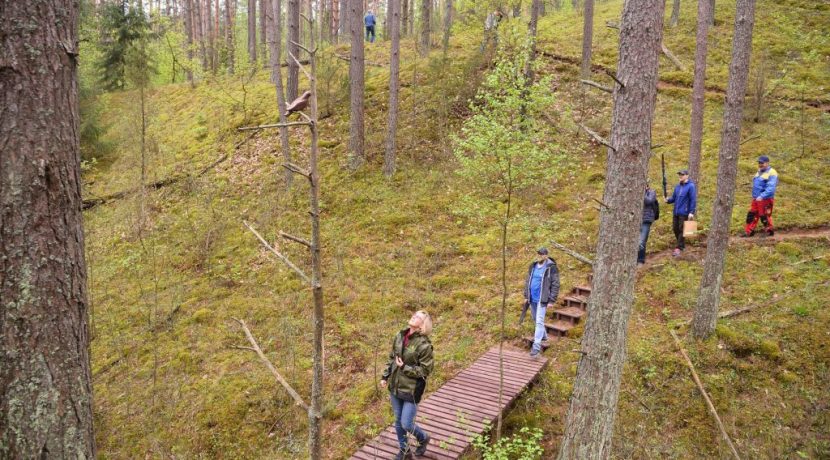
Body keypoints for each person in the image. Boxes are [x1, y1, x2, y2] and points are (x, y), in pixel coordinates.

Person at [381, 310, 434, 459]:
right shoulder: (400, 335)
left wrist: (404, 367)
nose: (414, 316)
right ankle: (405, 451)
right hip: (395, 386)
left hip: (412, 390)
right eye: (414, 314)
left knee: (406, 424)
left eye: (418, 317)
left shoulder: (424, 345)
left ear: (422, 325)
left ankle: (423, 437)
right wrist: (385, 375)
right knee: (398, 421)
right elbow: (392, 357)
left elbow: (425, 370)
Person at [523, 248, 560, 358]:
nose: (540, 255)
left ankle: (536, 346)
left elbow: (555, 284)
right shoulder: (533, 265)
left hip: (542, 299)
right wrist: (526, 295)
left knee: (539, 321)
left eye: (542, 254)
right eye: (539, 253)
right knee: (535, 319)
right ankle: (544, 336)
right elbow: (527, 281)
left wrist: (552, 299)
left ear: (546, 255)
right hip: (532, 298)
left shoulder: (551, 268)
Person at [742, 155, 778, 237]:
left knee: (764, 215)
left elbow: (771, 188)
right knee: (751, 214)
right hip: (756, 198)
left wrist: (762, 196)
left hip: (765, 198)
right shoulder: (759, 171)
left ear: (767, 163)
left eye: (762, 163)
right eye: (759, 162)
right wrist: (756, 196)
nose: (760, 164)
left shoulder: (772, 172)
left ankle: (769, 231)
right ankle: (749, 232)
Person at [665, 169, 697, 257]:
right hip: (676, 212)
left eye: (682, 175)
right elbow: (674, 198)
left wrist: (691, 211)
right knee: (675, 228)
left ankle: (679, 248)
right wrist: (668, 200)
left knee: (682, 229)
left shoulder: (691, 186)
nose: (680, 176)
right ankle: (681, 244)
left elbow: (693, 199)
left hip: (685, 212)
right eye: (679, 174)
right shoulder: (677, 186)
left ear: (687, 176)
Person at [638, 185, 660, 266]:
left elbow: (649, 201)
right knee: (636, 240)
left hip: (646, 220)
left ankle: (640, 261)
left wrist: (641, 193)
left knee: (642, 241)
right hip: (637, 220)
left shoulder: (652, 192)